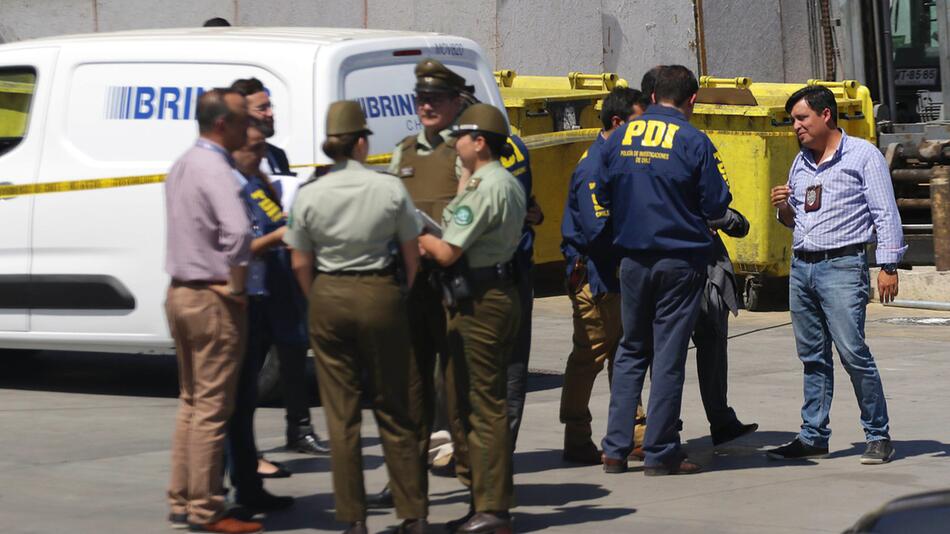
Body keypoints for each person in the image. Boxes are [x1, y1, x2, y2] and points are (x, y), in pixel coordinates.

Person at [284, 101, 427, 534]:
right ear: (362, 141)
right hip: (379, 292)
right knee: (394, 408)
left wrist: (318, 296)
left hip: (328, 291)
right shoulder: (387, 188)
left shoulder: (310, 192)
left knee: (341, 416)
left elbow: (298, 262)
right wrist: (399, 293)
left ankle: (353, 519)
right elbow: (412, 253)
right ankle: (413, 514)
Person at [599, 65, 731, 476]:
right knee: (668, 356)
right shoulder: (694, 140)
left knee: (631, 351)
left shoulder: (621, 136)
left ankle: (616, 449)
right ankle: (660, 451)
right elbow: (715, 206)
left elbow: (603, 191)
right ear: (692, 99)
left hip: (633, 261)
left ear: (653, 96)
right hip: (680, 261)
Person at [767, 85, 905, 464]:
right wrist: (782, 208)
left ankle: (878, 435)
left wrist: (888, 265)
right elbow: (797, 220)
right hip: (803, 266)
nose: (796, 126)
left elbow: (885, 213)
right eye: (793, 120)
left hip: (842, 266)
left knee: (852, 352)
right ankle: (813, 435)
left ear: (825, 115)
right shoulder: (802, 162)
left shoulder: (863, 156)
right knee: (812, 356)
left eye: (802, 118)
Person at [418, 103, 527, 533]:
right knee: (469, 403)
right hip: (488, 294)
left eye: (460, 139)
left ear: (479, 141)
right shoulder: (494, 179)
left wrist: (413, 232)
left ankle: (493, 509)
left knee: (482, 407)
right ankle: (484, 501)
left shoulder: (487, 186)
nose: (454, 146)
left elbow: (447, 250)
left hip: (481, 301)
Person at [368, 58, 469, 509]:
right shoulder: (404, 151)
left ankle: (475, 483)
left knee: (458, 387)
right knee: (408, 390)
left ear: (455, 102)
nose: (427, 106)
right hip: (412, 287)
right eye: (421, 99)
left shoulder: (465, 151)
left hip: (454, 286)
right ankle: (405, 481)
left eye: (436, 99)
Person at [164, 89, 263, 533]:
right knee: (211, 408)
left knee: (191, 402)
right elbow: (239, 231)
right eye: (243, 118)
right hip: (211, 297)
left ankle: (182, 498)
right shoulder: (216, 167)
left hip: (181, 291)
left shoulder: (184, 162)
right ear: (222, 124)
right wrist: (237, 287)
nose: (249, 127)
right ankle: (207, 509)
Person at [229, 78, 330, 460]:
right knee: (249, 360)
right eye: (262, 108)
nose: (270, 113)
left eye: (270, 106)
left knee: (292, 345)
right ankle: (245, 446)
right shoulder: (233, 159)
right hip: (252, 270)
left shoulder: (276, 155)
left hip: (282, 266)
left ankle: (299, 427)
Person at [559, 86, 648, 465]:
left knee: (626, 355)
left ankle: (637, 432)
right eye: (639, 123)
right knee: (590, 358)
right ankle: (577, 434)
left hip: (618, 276)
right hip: (596, 278)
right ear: (617, 122)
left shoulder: (618, 159)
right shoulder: (595, 166)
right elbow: (598, 230)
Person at [224, 122, 299, 514]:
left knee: (246, 400)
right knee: (226, 404)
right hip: (235, 301)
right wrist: (277, 237)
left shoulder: (257, 182)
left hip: (260, 295)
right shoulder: (229, 187)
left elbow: (274, 221)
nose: (261, 156)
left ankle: (249, 487)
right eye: (254, 149)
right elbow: (238, 248)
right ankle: (213, 495)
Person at [693, 208, 759, 446]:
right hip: (691, 268)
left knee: (710, 346)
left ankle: (720, 421)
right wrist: (731, 219)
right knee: (670, 355)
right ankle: (660, 429)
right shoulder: (691, 171)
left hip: (669, 263)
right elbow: (718, 208)